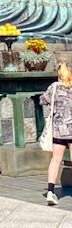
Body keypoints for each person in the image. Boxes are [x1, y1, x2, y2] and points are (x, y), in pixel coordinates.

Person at [40, 62, 72, 205]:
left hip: (58, 130)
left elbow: (43, 100)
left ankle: (51, 192)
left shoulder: (54, 87)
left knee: (55, 160)